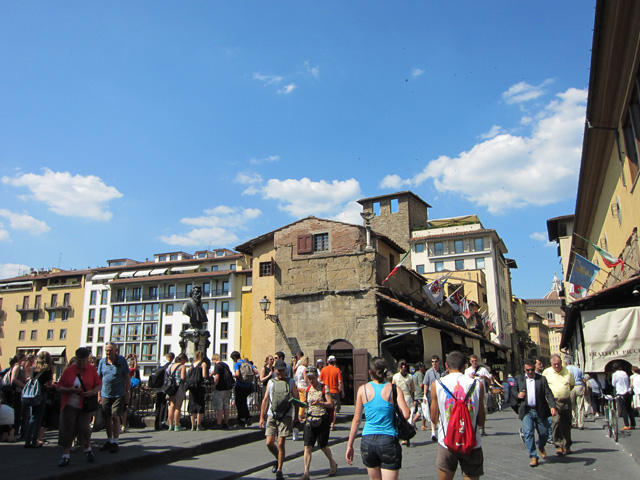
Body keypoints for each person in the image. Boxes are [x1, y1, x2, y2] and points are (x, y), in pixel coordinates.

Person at [346, 356, 410, 480]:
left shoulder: (362, 390)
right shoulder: (394, 389)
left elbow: (356, 420)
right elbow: (406, 414)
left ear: (370, 372)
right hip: (388, 438)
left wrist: (350, 445)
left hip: (368, 440)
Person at [431, 351, 485, 480]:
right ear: (464, 366)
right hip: (472, 442)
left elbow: (433, 418)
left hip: (447, 442)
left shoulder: (437, 384)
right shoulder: (478, 385)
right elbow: (481, 421)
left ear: (446, 365)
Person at [56, 347, 101, 467]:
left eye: (84, 361)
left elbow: (98, 385)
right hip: (70, 403)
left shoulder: (91, 370)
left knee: (83, 427)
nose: (82, 363)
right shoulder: (69, 370)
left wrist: (92, 392)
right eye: (80, 360)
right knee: (68, 428)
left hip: (84, 404)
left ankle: (87, 448)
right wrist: (69, 390)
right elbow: (59, 386)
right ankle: (66, 455)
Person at [510, 359, 557, 467]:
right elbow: (513, 390)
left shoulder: (541, 379)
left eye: (532, 369)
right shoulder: (519, 378)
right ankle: (533, 456)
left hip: (539, 410)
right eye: (528, 370)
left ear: (534, 368)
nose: (530, 372)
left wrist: (553, 406)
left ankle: (541, 446)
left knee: (544, 433)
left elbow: (548, 394)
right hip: (527, 411)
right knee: (528, 433)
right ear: (524, 369)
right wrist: (518, 395)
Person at [259, 359, 300, 480]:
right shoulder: (271, 382)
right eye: (278, 370)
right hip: (272, 414)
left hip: (286, 415)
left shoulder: (291, 382)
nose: (280, 373)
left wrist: (296, 417)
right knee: (269, 443)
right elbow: (265, 399)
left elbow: (296, 400)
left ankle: (279, 470)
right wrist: (262, 417)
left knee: (281, 443)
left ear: (285, 371)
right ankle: (279, 458)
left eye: (282, 370)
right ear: (274, 370)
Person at [298, 367, 338, 480]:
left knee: (323, 445)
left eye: (313, 378)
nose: (311, 380)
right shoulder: (308, 389)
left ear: (317, 377)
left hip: (322, 419)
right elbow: (308, 404)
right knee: (307, 446)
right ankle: (306, 473)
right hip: (310, 420)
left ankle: (332, 463)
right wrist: (302, 412)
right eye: (309, 378)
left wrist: (320, 403)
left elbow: (330, 404)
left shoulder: (324, 388)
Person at [97, 342, 130, 452]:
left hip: (118, 394)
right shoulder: (102, 362)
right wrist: (99, 394)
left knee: (115, 416)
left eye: (110, 350)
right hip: (105, 393)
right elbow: (99, 378)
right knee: (107, 418)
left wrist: (127, 391)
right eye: (106, 350)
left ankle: (115, 441)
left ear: (116, 351)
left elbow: (127, 376)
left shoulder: (121, 361)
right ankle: (109, 440)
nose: (108, 352)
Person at [542, 354, 575, 455]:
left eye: (558, 364)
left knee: (566, 424)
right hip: (554, 402)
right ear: (551, 363)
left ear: (561, 363)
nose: (557, 366)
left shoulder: (567, 372)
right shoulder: (547, 372)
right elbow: (543, 386)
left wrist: (564, 392)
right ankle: (559, 445)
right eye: (555, 364)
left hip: (565, 401)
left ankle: (567, 445)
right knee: (556, 422)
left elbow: (571, 385)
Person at [23, 351, 54, 448]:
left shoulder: (34, 368)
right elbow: (49, 384)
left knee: (32, 417)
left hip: (33, 394)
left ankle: (27, 440)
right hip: (42, 393)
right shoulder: (48, 369)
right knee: (39, 418)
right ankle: (34, 441)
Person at [464, 355, 490, 435]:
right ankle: (472, 428)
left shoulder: (483, 370)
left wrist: (484, 377)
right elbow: (465, 382)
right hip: (471, 393)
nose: (474, 362)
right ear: (470, 362)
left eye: (475, 361)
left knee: (483, 409)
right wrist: (470, 378)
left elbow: (489, 380)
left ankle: (483, 429)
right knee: (472, 410)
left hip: (482, 393)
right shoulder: (467, 371)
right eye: (472, 361)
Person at [232, 350, 258, 427]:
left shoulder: (237, 364)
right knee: (244, 402)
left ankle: (241, 421)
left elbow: (237, 374)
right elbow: (256, 372)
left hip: (239, 385)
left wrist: (232, 375)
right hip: (248, 386)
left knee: (239, 403)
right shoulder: (247, 363)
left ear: (234, 357)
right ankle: (248, 418)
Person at [424, 354, 447, 441]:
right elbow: (426, 384)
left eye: (436, 362)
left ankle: (442, 430)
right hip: (431, 394)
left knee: (441, 411)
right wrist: (424, 395)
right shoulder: (428, 372)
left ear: (438, 362)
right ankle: (433, 432)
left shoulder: (443, 372)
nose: (434, 363)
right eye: (433, 362)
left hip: (441, 393)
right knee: (433, 412)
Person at [392, 360, 414, 446]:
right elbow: (412, 389)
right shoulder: (410, 377)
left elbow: (392, 388)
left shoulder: (395, 376)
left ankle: (403, 436)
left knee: (400, 417)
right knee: (409, 417)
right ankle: (407, 435)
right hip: (407, 397)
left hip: (399, 398)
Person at [320, 355, 344, 431]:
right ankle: (332, 425)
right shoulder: (337, 370)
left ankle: (325, 423)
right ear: (334, 362)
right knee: (334, 409)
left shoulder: (323, 369)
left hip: (326, 390)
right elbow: (340, 381)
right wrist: (341, 390)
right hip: (334, 391)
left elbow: (320, 380)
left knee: (325, 407)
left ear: (328, 361)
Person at [611, 361, 636, 431]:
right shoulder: (624, 373)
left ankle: (626, 425)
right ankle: (633, 424)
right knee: (629, 408)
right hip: (627, 392)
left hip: (620, 392)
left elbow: (613, 384)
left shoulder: (615, 374)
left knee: (624, 409)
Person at [187, 350, 208, 431]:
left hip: (191, 386)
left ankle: (192, 425)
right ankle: (198, 424)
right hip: (199, 386)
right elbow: (204, 375)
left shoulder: (192, 364)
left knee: (192, 404)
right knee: (200, 404)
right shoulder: (203, 364)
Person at [211, 354, 233, 429]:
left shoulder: (217, 366)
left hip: (220, 389)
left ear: (214, 359)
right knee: (226, 406)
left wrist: (214, 385)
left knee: (219, 406)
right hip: (227, 388)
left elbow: (217, 377)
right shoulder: (225, 365)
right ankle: (226, 423)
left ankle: (219, 423)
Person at [167, 353, 187, 431]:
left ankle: (170, 425)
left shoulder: (171, 366)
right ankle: (177, 425)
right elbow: (182, 377)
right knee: (178, 407)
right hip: (179, 387)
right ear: (183, 359)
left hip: (171, 388)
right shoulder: (182, 366)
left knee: (171, 406)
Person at [154, 352, 174, 430]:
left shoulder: (160, 364)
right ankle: (162, 422)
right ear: (172, 358)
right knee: (163, 405)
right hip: (164, 388)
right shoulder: (169, 365)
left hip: (157, 388)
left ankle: (156, 422)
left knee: (158, 405)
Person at [564, 355, 585, 430]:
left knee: (571, 406)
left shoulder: (566, 370)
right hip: (579, 386)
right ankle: (581, 424)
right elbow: (583, 379)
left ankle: (574, 422)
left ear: (565, 362)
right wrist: (585, 388)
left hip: (571, 387)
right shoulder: (578, 369)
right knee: (580, 406)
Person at [293, 355, 310, 441]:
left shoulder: (298, 368)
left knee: (299, 400)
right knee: (303, 401)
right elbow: (305, 378)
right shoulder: (304, 368)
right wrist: (309, 385)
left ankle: (300, 414)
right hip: (303, 386)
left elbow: (296, 377)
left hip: (298, 385)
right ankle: (301, 415)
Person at [412, 362, 426, 429]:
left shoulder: (415, 374)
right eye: (422, 367)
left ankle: (422, 424)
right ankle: (415, 421)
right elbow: (421, 385)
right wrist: (426, 383)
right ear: (420, 368)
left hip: (416, 394)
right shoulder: (420, 374)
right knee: (422, 409)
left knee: (420, 409)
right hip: (420, 394)